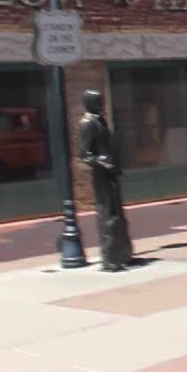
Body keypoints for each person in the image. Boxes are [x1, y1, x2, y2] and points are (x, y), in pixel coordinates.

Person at [78, 89, 136, 272]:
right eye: (98, 101)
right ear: (89, 103)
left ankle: (121, 254)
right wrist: (103, 163)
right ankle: (110, 258)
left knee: (117, 213)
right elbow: (85, 154)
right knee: (107, 213)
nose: (101, 105)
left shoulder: (99, 120)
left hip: (111, 171)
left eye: (101, 101)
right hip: (102, 173)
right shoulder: (87, 123)